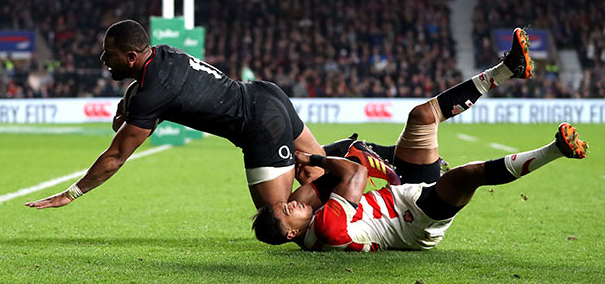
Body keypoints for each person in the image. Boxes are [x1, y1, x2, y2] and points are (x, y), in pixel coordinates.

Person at [252, 28, 588, 250]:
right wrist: (315, 160)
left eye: (284, 204)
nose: (291, 203)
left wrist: (322, 165)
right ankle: (557, 149)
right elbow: (356, 173)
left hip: (403, 192)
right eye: (286, 211)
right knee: (467, 175)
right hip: (416, 223)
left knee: (422, 117)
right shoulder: (326, 228)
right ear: (293, 232)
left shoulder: (307, 222)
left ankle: (507, 69)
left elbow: (335, 173)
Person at [25, 19, 325, 210]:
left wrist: (71, 194)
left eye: (108, 54)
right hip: (267, 94)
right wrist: (125, 102)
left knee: (276, 220)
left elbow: (116, 156)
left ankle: (337, 229)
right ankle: (350, 178)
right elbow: (146, 87)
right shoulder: (164, 52)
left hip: (259, 124)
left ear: (131, 57)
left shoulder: (152, 95)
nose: (103, 59)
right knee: (318, 175)